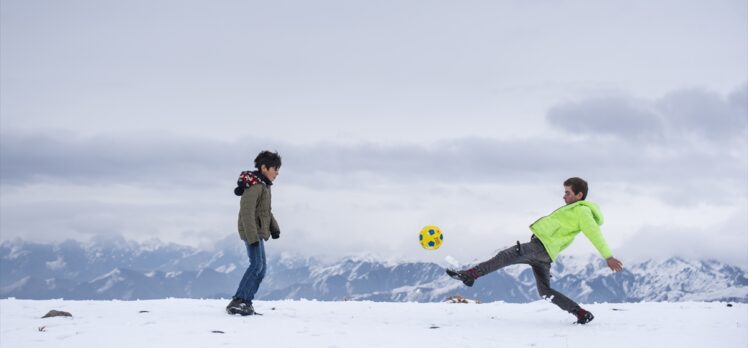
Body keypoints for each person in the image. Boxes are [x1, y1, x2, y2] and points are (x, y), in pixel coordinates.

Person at [446, 177, 623, 324]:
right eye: (564, 192)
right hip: (545, 253)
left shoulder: (582, 212)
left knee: (505, 255)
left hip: (540, 248)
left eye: (567, 193)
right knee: (545, 292)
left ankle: (470, 275)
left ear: (579, 195)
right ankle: (581, 313)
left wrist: (608, 256)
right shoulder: (574, 209)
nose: (564, 196)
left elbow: (595, 234)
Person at [226, 151, 282, 316]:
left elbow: (265, 211)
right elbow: (247, 212)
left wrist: (274, 228)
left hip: (258, 231)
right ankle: (238, 300)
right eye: (275, 169)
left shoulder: (265, 186)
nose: (277, 173)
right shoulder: (255, 186)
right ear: (264, 168)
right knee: (256, 265)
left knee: (262, 268)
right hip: (252, 232)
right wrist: (252, 237)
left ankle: (246, 302)